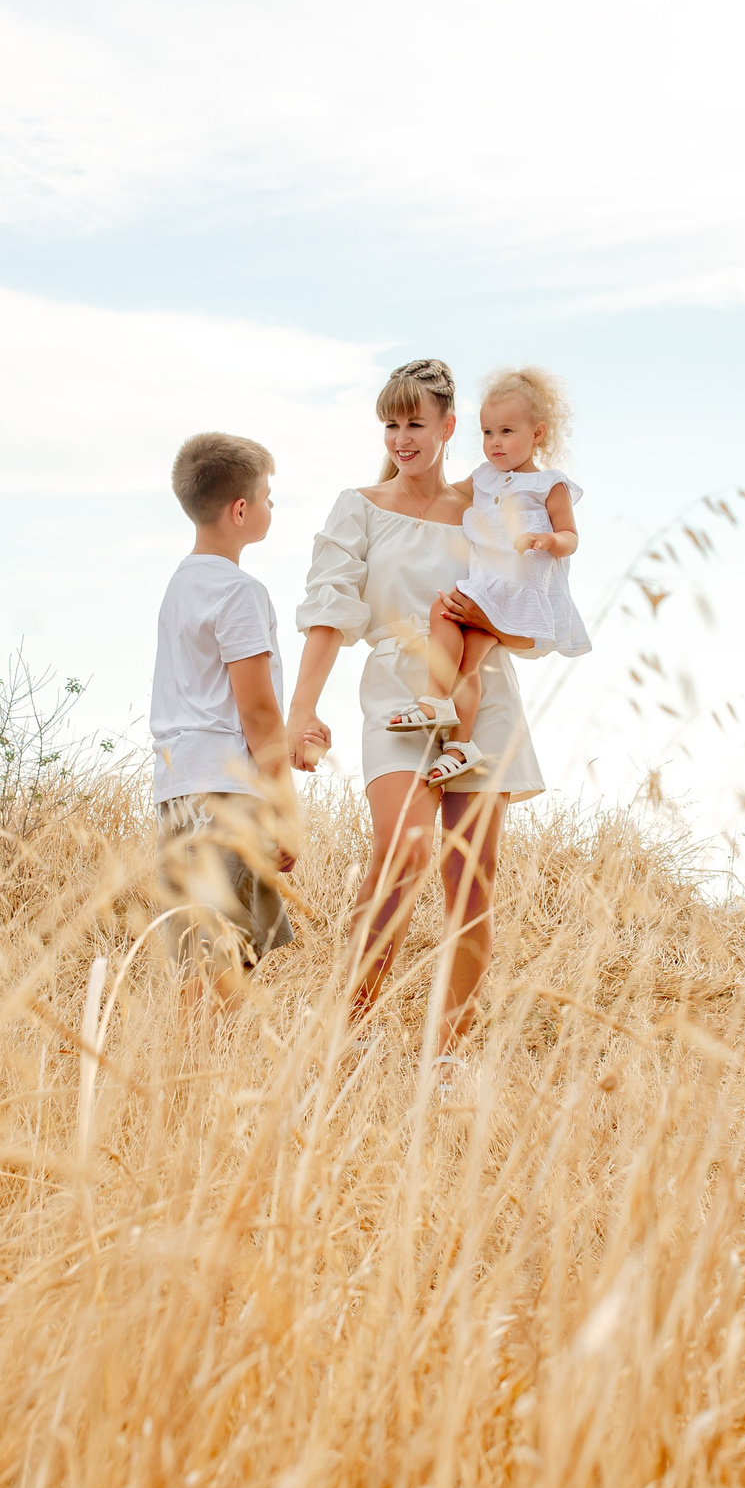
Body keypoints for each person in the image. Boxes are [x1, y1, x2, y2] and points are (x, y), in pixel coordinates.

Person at [286, 358, 546, 1063]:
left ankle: (447, 1054)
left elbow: (533, 620)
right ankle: (350, 1034)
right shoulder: (360, 505)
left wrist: (483, 615)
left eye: (415, 423)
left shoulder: (487, 506)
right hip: (398, 695)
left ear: (448, 426)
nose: (402, 438)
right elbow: (328, 610)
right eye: (391, 424)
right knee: (403, 850)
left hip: (483, 695)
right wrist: (300, 711)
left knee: (471, 885)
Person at [384, 367, 591, 785]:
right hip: (486, 585)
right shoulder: (482, 476)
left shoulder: (550, 485)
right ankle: (461, 746)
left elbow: (571, 536)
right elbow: (445, 492)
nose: (495, 443)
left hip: (515, 589)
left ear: (538, 433)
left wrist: (549, 541)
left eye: (507, 432)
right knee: (467, 663)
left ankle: (435, 701)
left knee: (445, 610)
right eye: (487, 432)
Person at [150, 431, 297, 1011]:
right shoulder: (239, 592)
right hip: (226, 790)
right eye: (267, 496)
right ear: (241, 510)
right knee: (216, 962)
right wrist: (284, 807)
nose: (269, 507)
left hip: (183, 785)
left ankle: (212, 1086)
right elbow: (257, 710)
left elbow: (208, 697)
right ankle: (197, 1086)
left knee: (215, 952)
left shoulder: (181, 585)